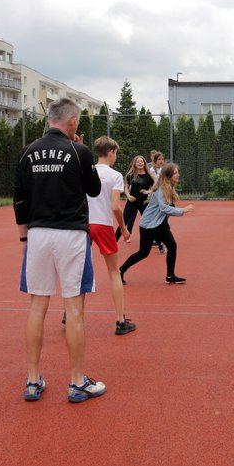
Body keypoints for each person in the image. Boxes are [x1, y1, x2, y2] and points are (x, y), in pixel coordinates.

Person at [14, 97, 105, 403]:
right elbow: (93, 189)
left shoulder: (27, 152)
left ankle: (32, 380)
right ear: (72, 122)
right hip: (71, 236)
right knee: (74, 309)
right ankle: (77, 382)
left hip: (38, 234)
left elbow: (19, 200)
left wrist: (24, 239)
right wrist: (82, 154)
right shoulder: (78, 151)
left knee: (36, 307)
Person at [87, 136, 136, 335]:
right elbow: (115, 206)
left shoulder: (85, 171)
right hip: (103, 225)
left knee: (77, 270)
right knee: (114, 272)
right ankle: (120, 320)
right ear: (111, 152)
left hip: (82, 224)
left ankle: (69, 312)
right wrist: (123, 229)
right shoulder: (114, 175)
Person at [119, 162, 193, 285]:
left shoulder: (168, 187)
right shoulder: (162, 189)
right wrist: (183, 210)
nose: (178, 174)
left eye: (177, 172)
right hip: (149, 224)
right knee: (143, 253)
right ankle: (120, 271)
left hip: (159, 223)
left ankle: (170, 276)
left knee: (172, 245)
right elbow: (164, 207)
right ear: (168, 176)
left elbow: (165, 206)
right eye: (175, 173)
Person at [115, 154, 152, 241]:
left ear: (144, 163)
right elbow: (126, 187)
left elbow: (154, 187)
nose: (140, 163)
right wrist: (128, 196)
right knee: (123, 222)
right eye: (138, 161)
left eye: (141, 161)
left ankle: (159, 242)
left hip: (144, 203)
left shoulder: (148, 176)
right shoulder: (131, 175)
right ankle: (113, 242)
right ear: (135, 164)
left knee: (150, 222)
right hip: (132, 202)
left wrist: (148, 192)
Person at [147, 151, 167, 254]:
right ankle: (159, 240)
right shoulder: (151, 170)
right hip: (155, 196)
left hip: (163, 195)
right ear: (155, 161)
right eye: (159, 159)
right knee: (157, 217)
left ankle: (159, 239)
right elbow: (155, 183)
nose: (161, 161)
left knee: (163, 217)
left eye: (162, 159)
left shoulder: (164, 170)